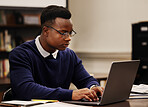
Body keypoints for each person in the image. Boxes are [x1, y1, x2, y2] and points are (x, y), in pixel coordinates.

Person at [9, 5, 104, 101]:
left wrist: (93, 87)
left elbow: (86, 79)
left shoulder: (69, 55)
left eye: (70, 33)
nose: (68, 38)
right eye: (63, 33)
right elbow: (25, 89)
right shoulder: (20, 54)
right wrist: (70, 94)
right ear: (46, 31)